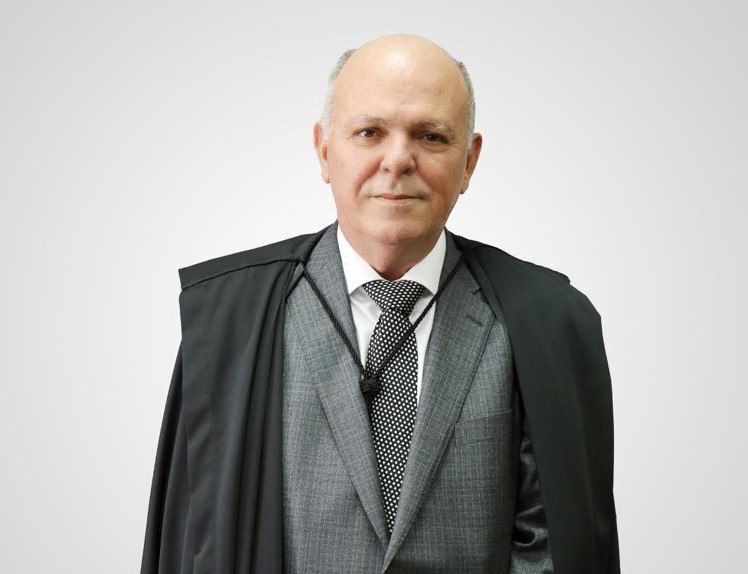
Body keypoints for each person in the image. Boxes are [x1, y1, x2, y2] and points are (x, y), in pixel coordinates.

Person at [141, 34, 619, 574]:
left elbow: (556, 548)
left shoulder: (549, 324)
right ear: (324, 150)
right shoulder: (230, 323)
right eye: (369, 132)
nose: (398, 160)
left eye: (431, 136)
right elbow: (192, 542)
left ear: (469, 160)